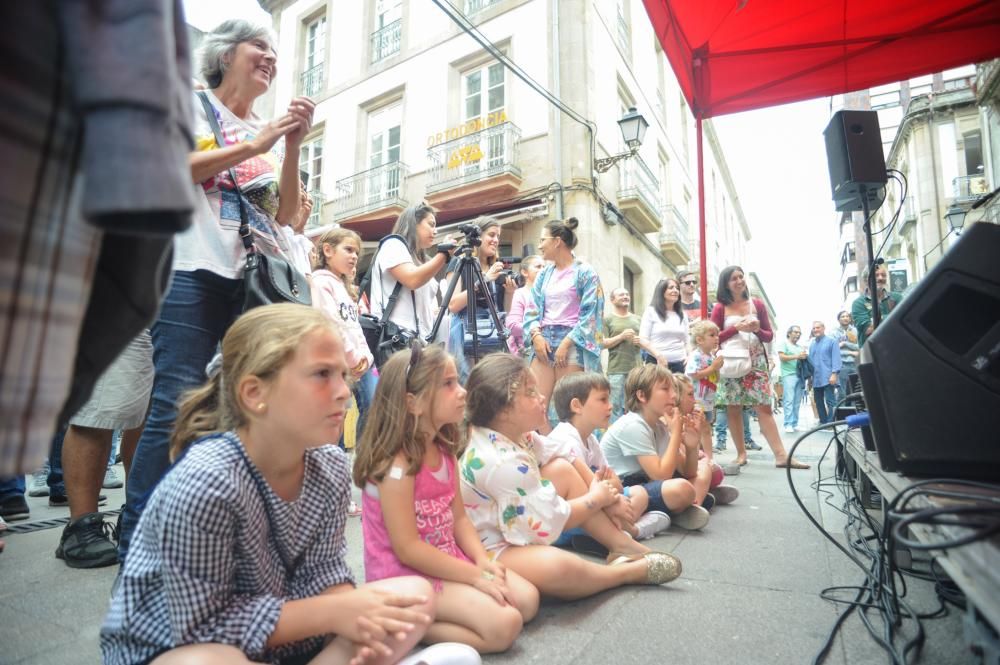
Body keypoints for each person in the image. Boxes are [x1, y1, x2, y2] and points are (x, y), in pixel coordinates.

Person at [101, 304, 480, 665]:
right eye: (321, 375)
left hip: (290, 638)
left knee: (412, 597)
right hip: (183, 647)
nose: (344, 392)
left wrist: (354, 612)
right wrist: (334, 612)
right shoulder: (206, 482)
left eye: (343, 376)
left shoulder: (329, 465)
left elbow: (325, 571)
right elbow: (202, 626)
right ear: (255, 393)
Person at [119, 19, 317, 561]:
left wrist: (292, 146)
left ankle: (205, 530)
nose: (271, 57)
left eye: (274, 50)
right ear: (225, 53)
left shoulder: (265, 130)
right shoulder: (190, 103)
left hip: (249, 280)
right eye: (260, 46)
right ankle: (138, 541)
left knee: (235, 405)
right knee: (177, 402)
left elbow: (284, 216)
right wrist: (253, 143)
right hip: (189, 268)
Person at [354, 345, 538, 653]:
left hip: (446, 559)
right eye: (449, 384)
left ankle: (427, 617)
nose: (462, 392)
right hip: (404, 573)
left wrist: (482, 561)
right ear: (412, 403)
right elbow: (408, 549)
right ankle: (410, 622)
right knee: (505, 625)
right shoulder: (397, 467)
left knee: (528, 601)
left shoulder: (444, 450)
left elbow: (460, 519)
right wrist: (474, 576)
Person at [460, 354, 682, 600]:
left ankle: (620, 544)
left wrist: (605, 497)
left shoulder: (520, 435)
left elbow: (560, 451)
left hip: (514, 527)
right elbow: (549, 520)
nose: (542, 397)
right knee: (559, 567)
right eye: (531, 392)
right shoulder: (501, 461)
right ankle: (624, 573)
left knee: (562, 468)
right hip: (491, 547)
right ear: (502, 410)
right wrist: (598, 499)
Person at [55, 331, 153, 568]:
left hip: (179, 305)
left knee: (155, 417)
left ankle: (136, 517)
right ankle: (81, 526)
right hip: (123, 304)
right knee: (99, 408)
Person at [547, 373, 672, 541]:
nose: (611, 406)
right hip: (571, 516)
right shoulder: (565, 439)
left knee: (639, 493)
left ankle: (618, 530)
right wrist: (610, 496)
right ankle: (634, 531)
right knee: (615, 506)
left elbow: (616, 483)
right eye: (603, 400)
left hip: (598, 501)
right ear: (577, 406)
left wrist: (611, 493)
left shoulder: (591, 439)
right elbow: (588, 493)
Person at [711, 266, 809, 469]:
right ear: (725, 284)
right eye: (733, 279)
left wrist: (756, 330)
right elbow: (713, 338)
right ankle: (741, 454)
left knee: (764, 407)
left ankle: (781, 456)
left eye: (741, 277)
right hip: (730, 361)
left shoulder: (756, 304)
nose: (739, 281)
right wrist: (735, 328)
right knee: (733, 407)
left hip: (756, 361)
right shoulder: (720, 307)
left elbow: (769, 335)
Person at [601, 364, 711, 528]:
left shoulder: (658, 426)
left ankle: (689, 508)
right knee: (682, 489)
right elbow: (661, 476)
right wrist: (675, 435)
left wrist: (691, 445)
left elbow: (688, 471)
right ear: (642, 396)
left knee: (705, 467)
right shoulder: (633, 425)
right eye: (665, 389)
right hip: (627, 488)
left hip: (646, 482)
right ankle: (684, 508)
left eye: (673, 389)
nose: (674, 395)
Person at [522, 218, 605, 430]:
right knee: (532, 403)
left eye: (543, 240)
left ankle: (572, 457)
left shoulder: (586, 272)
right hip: (543, 340)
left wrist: (567, 343)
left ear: (557, 241)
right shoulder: (544, 275)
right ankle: (549, 454)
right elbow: (532, 308)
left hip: (572, 341)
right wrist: (536, 336)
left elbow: (591, 314)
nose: (539, 245)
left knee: (570, 410)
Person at [311, 227, 377, 449]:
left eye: (356, 252)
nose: (354, 256)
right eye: (348, 250)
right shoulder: (320, 282)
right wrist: (353, 358)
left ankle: (362, 459)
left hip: (359, 361)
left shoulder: (342, 287)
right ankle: (335, 461)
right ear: (328, 250)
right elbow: (331, 324)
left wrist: (366, 358)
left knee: (373, 402)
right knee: (336, 416)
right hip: (339, 361)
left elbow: (354, 328)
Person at [370, 203, 456, 345]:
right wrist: (444, 255)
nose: (435, 231)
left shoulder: (421, 260)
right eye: (431, 224)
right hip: (396, 340)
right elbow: (412, 279)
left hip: (420, 342)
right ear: (414, 223)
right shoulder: (393, 245)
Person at [445, 216, 516, 379]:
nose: (496, 240)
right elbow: (453, 305)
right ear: (478, 237)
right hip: (465, 332)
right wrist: (484, 280)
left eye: (498, 236)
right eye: (491, 235)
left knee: (493, 385)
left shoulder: (496, 268)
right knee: (468, 385)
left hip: (492, 334)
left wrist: (510, 292)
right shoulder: (460, 262)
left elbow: (503, 309)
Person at [671, 374, 740, 507]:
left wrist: (701, 427)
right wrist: (699, 455)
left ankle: (706, 493)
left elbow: (695, 452)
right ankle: (696, 503)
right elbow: (684, 466)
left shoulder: (688, 418)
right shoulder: (671, 423)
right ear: (676, 398)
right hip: (677, 477)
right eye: (690, 395)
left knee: (714, 469)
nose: (694, 400)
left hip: (686, 470)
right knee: (707, 469)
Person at [602, 288, 644, 423]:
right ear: (612, 300)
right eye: (621, 295)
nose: (625, 296)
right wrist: (621, 336)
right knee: (614, 407)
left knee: (637, 405)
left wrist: (640, 341)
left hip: (636, 370)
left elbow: (646, 341)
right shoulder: (607, 320)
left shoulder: (638, 319)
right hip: (616, 371)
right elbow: (602, 343)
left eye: (627, 294)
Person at [685, 320, 725, 459]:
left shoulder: (711, 356)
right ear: (700, 340)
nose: (716, 338)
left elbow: (715, 378)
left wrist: (716, 369)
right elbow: (694, 374)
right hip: (697, 399)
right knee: (702, 429)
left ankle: (705, 457)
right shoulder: (696, 356)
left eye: (717, 335)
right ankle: (705, 458)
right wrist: (713, 367)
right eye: (712, 335)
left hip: (707, 400)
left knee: (705, 429)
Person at [639, 278, 689, 372]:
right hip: (656, 364)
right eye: (671, 288)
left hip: (681, 365)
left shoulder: (682, 314)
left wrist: (689, 356)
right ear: (661, 292)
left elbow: (687, 341)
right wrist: (659, 356)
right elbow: (642, 340)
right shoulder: (651, 311)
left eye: (677, 288)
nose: (675, 290)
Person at [851, 263, 904, 348]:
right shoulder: (858, 303)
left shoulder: (897, 297)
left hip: (897, 349)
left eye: (883, 275)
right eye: (876, 275)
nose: (880, 278)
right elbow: (868, 330)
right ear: (866, 280)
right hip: (872, 354)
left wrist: (876, 320)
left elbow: (904, 322)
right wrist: (895, 317)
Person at [505, 255, 545, 357]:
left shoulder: (549, 293)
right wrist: (539, 330)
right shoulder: (519, 294)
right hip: (526, 352)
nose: (542, 270)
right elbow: (513, 326)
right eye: (538, 266)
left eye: (544, 267)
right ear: (524, 272)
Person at [807, 320, 841, 424]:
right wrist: (810, 378)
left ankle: (831, 422)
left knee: (830, 401)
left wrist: (834, 374)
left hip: (828, 376)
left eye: (818, 327)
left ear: (823, 328)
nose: (816, 330)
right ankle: (823, 421)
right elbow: (811, 362)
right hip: (816, 378)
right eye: (814, 328)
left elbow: (836, 358)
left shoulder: (832, 341)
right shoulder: (812, 344)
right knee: (818, 401)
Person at [777, 325, 808, 433]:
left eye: (799, 333)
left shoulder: (800, 347)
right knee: (789, 400)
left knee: (797, 401)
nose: (797, 334)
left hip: (800, 375)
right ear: (789, 333)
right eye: (795, 332)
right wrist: (797, 356)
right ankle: (788, 424)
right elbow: (782, 357)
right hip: (788, 375)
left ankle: (794, 423)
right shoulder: (784, 344)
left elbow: (803, 359)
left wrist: (804, 356)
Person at [833, 311, 859, 400]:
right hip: (842, 364)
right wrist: (850, 352)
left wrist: (845, 344)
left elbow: (859, 346)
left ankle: (854, 412)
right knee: (842, 392)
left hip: (855, 363)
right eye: (843, 316)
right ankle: (842, 412)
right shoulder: (834, 333)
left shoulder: (855, 330)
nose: (845, 318)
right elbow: (834, 350)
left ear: (850, 318)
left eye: (847, 316)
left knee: (855, 391)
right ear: (838, 319)